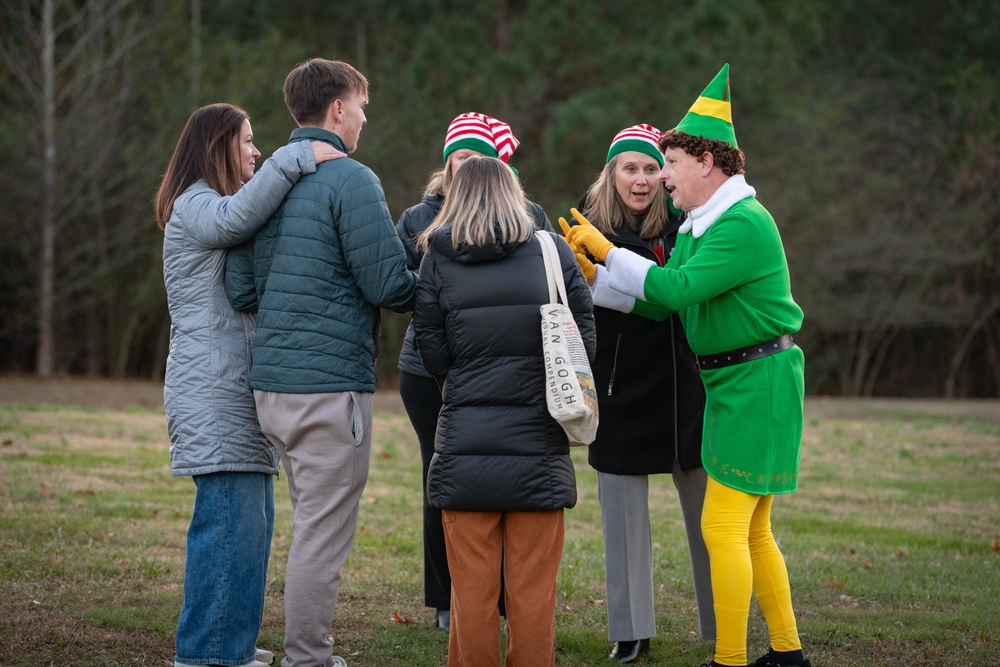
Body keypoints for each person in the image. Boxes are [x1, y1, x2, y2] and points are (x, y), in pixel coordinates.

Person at [561, 64, 811, 667]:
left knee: (725, 527)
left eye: (667, 163)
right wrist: (601, 275)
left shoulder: (740, 225)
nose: (660, 175)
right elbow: (669, 293)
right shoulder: (706, 225)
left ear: (707, 163)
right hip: (734, 384)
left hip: (754, 384)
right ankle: (785, 652)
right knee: (750, 531)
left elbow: (673, 293)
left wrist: (605, 255)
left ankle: (730, 657)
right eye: (645, 164)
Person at [225, 58, 417, 667]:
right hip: (328, 388)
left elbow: (242, 289)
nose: (363, 117)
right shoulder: (353, 180)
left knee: (305, 525)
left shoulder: (266, 183)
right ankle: (308, 657)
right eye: (361, 105)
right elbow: (391, 286)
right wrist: (441, 269)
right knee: (321, 533)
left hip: (271, 388)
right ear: (337, 108)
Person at [155, 103, 341, 667]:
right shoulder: (196, 205)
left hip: (237, 390)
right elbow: (237, 219)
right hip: (213, 392)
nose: (257, 153)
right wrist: (296, 155)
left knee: (250, 530)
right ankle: (206, 655)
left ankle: (227, 647)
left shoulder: (210, 204)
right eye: (249, 142)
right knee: (228, 529)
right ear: (218, 147)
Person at [411, 156, 595, 667]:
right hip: (538, 443)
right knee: (533, 595)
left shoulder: (436, 260)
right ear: (514, 194)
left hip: (465, 445)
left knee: (469, 595)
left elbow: (432, 352)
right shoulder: (551, 253)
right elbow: (584, 338)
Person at [394, 111, 553, 630]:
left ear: (499, 165)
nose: (467, 167)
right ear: (446, 162)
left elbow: (549, 285)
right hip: (429, 369)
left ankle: (506, 602)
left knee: (508, 483)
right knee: (441, 481)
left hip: (511, 369)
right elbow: (403, 292)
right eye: (460, 156)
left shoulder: (529, 214)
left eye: (479, 158)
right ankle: (447, 599)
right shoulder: (419, 220)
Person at [566, 124, 714, 663]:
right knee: (623, 521)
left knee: (708, 518)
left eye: (653, 168)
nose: (643, 179)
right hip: (619, 386)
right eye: (630, 168)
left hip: (686, 389)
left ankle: (721, 627)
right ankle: (630, 630)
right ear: (611, 173)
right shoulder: (584, 227)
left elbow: (674, 295)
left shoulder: (689, 224)